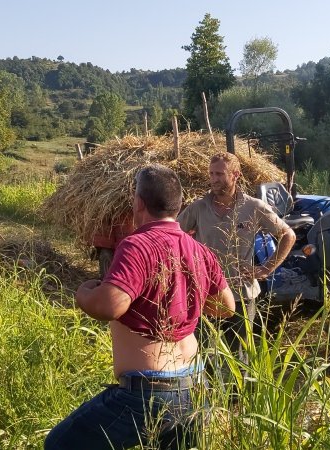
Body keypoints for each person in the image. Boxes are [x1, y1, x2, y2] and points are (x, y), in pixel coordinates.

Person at [45, 164, 235, 450]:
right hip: (194, 386)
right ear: (177, 205)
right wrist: (183, 298)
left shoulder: (138, 245)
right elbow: (226, 307)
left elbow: (109, 306)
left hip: (148, 393)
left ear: (138, 203)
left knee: (60, 444)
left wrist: (84, 294)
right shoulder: (200, 250)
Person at [177, 152, 296, 355]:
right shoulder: (198, 208)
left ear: (235, 175)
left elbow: (288, 234)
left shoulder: (253, 207)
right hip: (206, 295)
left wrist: (265, 269)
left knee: (240, 357)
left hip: (241, 296)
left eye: (220, 174)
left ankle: (238, 389)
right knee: (201, 355)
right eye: (212, 174)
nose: (214, 179)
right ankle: (206, 388)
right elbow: (173, 234)